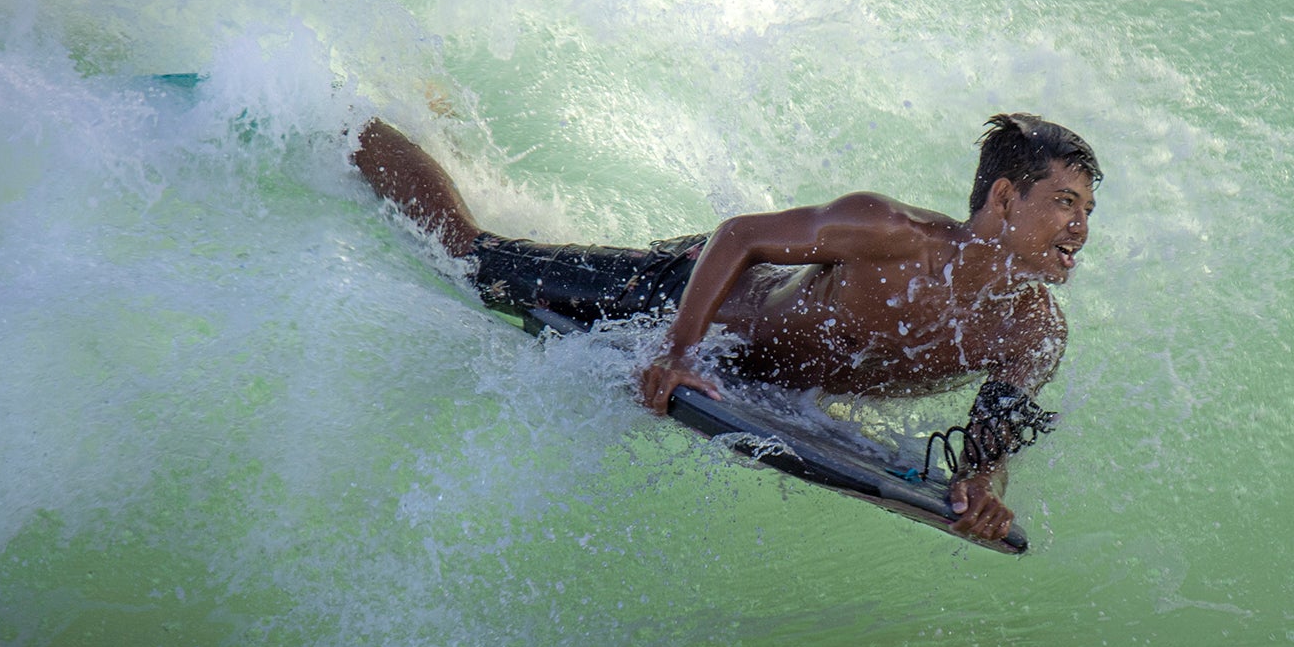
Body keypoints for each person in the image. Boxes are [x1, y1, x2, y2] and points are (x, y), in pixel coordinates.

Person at [351, 113, 1099, 542]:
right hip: (676, 298)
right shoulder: (890, 235)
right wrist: (677, 350)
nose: (1080, 228)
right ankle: (350, 124)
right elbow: (739, 235)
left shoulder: (1032, 336)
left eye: (1088, 211)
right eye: (1065, 203)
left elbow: (984, 452)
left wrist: (983, 492)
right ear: (1004, 197)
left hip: (765, 385)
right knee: (470, 260)